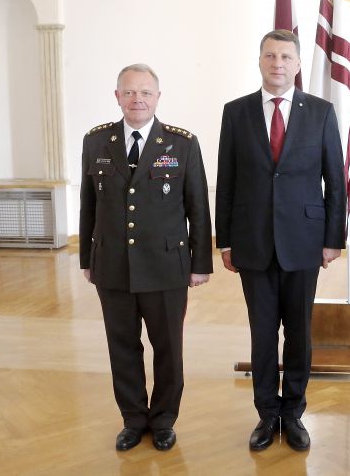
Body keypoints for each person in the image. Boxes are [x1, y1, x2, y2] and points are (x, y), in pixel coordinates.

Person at [215, 29, 345, 452]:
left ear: (298, 64)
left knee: (299, 333)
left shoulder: (321, 112)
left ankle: (293, 414)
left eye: (286, 57)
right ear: (259, 61)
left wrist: (333, 238)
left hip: (304, 241)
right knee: (262, 332)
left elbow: (335, 180)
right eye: (270, 56)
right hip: (252, 240)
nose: (277, 64)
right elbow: (226, 180)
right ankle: (267, 414)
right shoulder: (236, 113)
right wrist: (225, 240)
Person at [79, 63, 212, 452]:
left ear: (158, 97)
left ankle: (164, 419)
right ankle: (133, 419)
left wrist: (200, 263)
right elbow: (88, 205)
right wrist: (87, 258)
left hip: (166, 266)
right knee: (122, 347)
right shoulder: (96, 142)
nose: (137, 99)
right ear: (117, 96)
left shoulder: (182, 144)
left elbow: (198, 207)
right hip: (112, 265)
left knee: (168, 348)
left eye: (145, 92)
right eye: (129, 92)